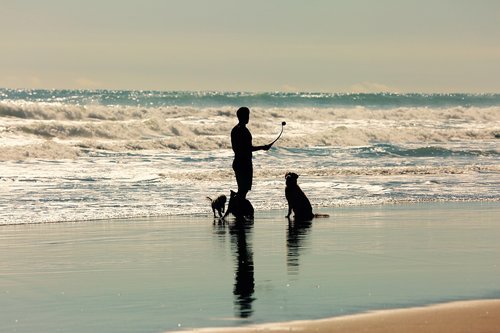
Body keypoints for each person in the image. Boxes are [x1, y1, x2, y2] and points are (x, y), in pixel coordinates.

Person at [231, 107, 271, 199]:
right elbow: (247, 148)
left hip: (239, 162)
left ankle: (237, 210)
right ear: (242, 116)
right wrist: (262, 147)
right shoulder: (242, 130)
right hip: (243, 163)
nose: (248, 117)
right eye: (247, 115)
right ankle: (236, 209)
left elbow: (237, 148)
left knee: (242, 189)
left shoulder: (235, 129)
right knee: (243, 190)